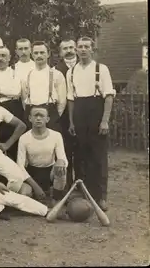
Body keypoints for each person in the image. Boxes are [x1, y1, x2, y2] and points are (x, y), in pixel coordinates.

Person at [66, 36, 115, 211]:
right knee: (80, 156)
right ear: (76, 50)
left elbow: (108, 96)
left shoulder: (101, 69)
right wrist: (71, 122)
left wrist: (104, 121)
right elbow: (71, 99)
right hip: (79, 112)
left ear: (92, 49)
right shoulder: (71, 72)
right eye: (80, 47)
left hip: (96, 112)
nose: (83, 50)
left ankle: (101, 196)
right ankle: (83, 194)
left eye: (86, 46)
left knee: (98, 157)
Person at [17, 105, 68, 204]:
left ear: (47, 119)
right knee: (25, 195)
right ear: (30, 118)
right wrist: (35, 187)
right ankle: (37, 197)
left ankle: (56, 198)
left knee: (61, 167)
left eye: (41, 116)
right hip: (33, 173)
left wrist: (60, 162)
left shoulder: (56, 135)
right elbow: (20, 166)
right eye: (35, 115)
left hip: (50, 173)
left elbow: (63, 158)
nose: (38, 118)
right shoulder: (24, 138)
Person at [0, 46, 23, 161]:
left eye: (3, 56)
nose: (0, 59)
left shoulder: (15, 73)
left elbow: (16, 92)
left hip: (13, 107)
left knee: (14, 143)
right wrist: (5, 91)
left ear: (9, 58)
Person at [21, 41, 66, 132]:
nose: (39, 55)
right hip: (32, 114)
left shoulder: (56, 74)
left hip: (50, 115)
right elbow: (24, 98)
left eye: (42, 53)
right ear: (32, 55)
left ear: (48, 54)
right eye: (36, 53)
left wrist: (53, 118)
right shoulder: (27, 75)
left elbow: (62, 101)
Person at [54, 37, 78, 188]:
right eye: (65, 48)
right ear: (60, 52)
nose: (69, 51)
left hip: (81, 113)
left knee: (83, 151)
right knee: (65, 150)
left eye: (71, 47)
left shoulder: (84, 66)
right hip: (63, 116)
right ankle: (67, 184)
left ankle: (83, 184)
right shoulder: (56, 70)